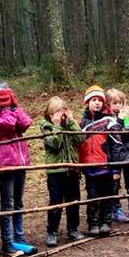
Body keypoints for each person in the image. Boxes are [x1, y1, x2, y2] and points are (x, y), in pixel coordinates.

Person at [0, 82, 37, 256]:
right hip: (5, 164)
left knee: (18, 203)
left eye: (8, 95)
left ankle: (19, 238)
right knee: (8, 203)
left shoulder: (10, 111)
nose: (5, 99)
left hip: (20, 162)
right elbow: (7, 125)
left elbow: (25, 123)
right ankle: (8, 242)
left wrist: (14, 106)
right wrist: (5, 108)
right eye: (1, 96)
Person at [79, 85, 124, 236]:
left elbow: (117, 144)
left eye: (99, 100)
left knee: (107, 195)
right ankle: (93, 223)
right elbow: (77, 144)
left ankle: (106, 222)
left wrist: (117, 168)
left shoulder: (108, 121)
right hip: (90, 167)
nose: (97, 103)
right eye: (93, 100)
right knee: (92, 196)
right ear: (87, 102)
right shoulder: (81, 123)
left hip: (106, 165)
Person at [40, 97, 85, 246]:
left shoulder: (70, 125)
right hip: (56, 172)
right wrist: (57, 126)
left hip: (72, 169)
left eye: (62, 111)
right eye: (56, 112)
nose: (60, 115)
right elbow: (55, 143)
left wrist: (71, 122)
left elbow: (81, 139)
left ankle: (73, 228)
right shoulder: (46, 126)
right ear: (50, 114)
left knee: (73, 201)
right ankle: (52, 231)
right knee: (56, 202)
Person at [106, 88, 129, 224]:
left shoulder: (126, 115)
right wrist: (120, 128)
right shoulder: (108, 118)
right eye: (115, 103)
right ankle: (117, 209)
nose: (118, 106)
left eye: (120, 102)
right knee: (115, 183)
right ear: (108, 104)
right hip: (115, 156)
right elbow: (114, 133)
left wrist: (122, 128)